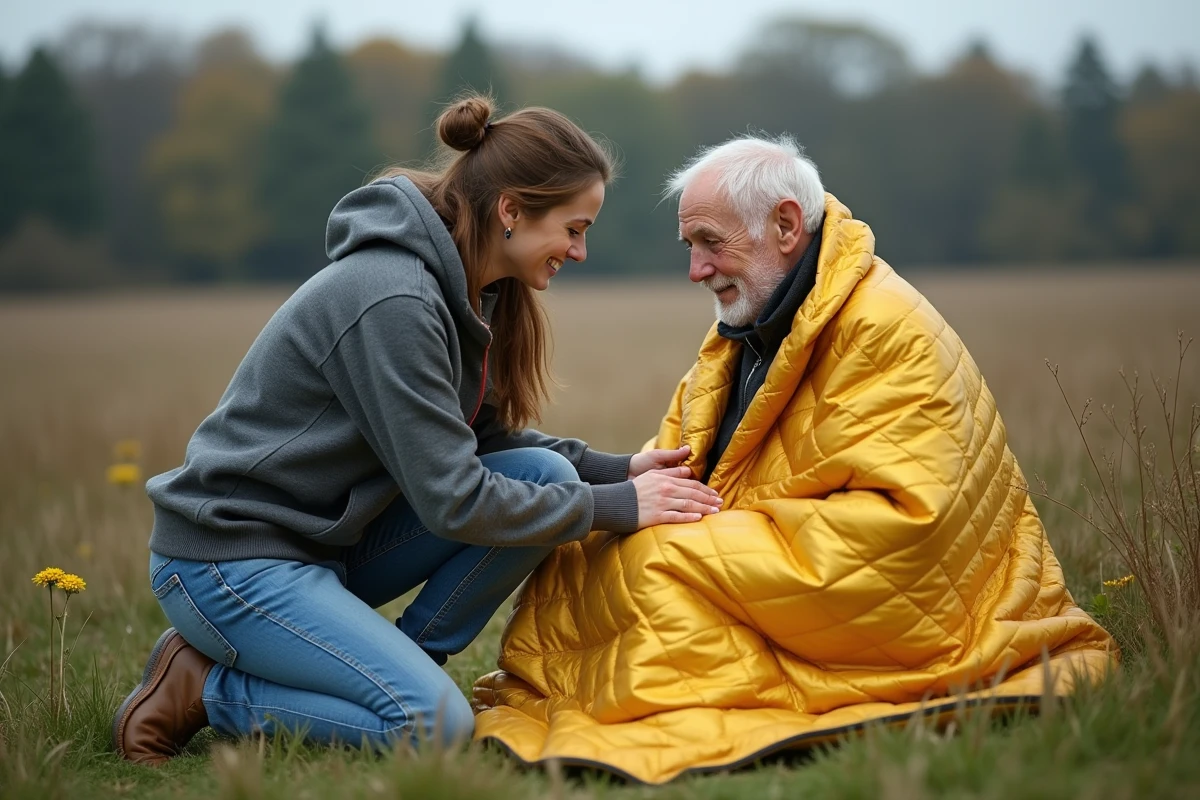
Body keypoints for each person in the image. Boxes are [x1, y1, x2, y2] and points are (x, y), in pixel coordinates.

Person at [470, 134, 1116, 785]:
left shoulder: (884, 330)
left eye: (710, 243)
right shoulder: (750, 324)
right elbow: (684, 464)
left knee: (655, 564)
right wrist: (635, 501)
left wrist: (705, 536)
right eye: (688, 246)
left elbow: (914, 525)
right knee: (582, 549)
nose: (696, 270)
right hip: (782, 548)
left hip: (903, 582)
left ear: (785, 225)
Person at [112, 95, 723, 765]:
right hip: (230, 559)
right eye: (573, 229)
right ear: (511, 212)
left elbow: (486, 446)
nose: (579, 252)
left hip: (321, 545)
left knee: (545, 477)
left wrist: (614, 471)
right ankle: (205, 687)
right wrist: (614, 508)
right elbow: (454, 498)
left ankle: (409, 664)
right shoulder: (393, 296)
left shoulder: (473, 289)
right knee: (433, 729)